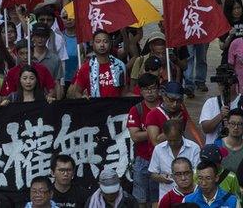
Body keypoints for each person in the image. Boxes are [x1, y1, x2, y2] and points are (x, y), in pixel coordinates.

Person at [128, 73, 162, 208]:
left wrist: (150, 133)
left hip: (162, 159)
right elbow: (135, 136)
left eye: (153, 88)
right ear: (140, 91)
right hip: (142, 160)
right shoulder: (136, 110)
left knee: (158, 199)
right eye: (146, 89)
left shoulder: (166, 108)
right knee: (140, 199)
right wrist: (157, 131)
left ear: (159, 89)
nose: (150, 92)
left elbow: (176, 132)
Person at [149, 119, 201, 199]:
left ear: (181, 134)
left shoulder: (194, 148)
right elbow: (153, 173)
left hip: (190, 196)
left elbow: (198, 172)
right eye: (170, 140)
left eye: (176, 140)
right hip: (166, 195)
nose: (173, 143)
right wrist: (161, 178)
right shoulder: (158, 149)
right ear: (165, 135)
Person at [69, 30, 127, 98]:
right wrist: (82, 97)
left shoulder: (120, 66)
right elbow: (77, 92)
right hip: (94, 107)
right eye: (98, 41)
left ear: (110, 44)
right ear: (93, 45)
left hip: (116, 107)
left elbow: (124, 93)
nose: (102, 45)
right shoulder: (86, 68)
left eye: (105, 41)